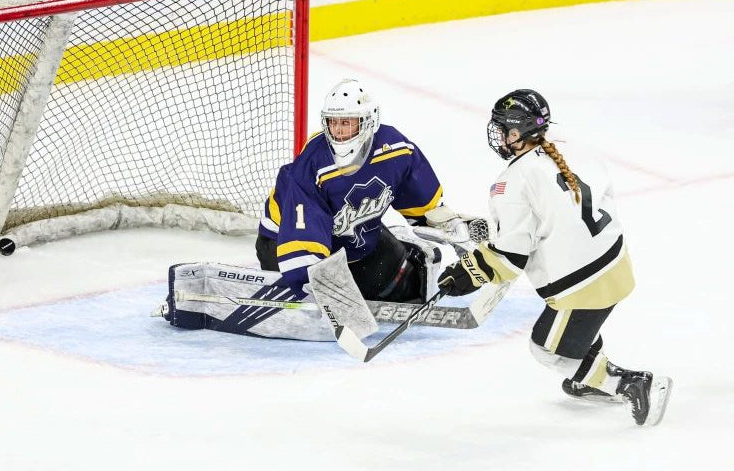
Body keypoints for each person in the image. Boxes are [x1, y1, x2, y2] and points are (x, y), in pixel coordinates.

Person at [436, 89, 672, 426]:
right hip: (617, 264)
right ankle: (586, 374)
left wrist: (467, 272)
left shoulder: (509, 183)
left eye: (502, 128)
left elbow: (510, 257)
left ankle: (629, 384)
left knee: (546, 348)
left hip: (585, 289)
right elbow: (565, 210)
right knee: (569, 330)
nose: (498, 134)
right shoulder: (571, 150)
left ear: (516, 134)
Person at [256, 78, 447, 303]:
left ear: (369, 121)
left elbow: (420, 200)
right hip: (284, 242)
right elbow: (302, 234)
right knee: (311, 302)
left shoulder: (394, 148)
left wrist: (446, 223)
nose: (337, 130)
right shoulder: (312, 165)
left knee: (404, 289)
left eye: (346, 122)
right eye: (332, 122)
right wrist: (311, 283)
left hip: (354, 236)